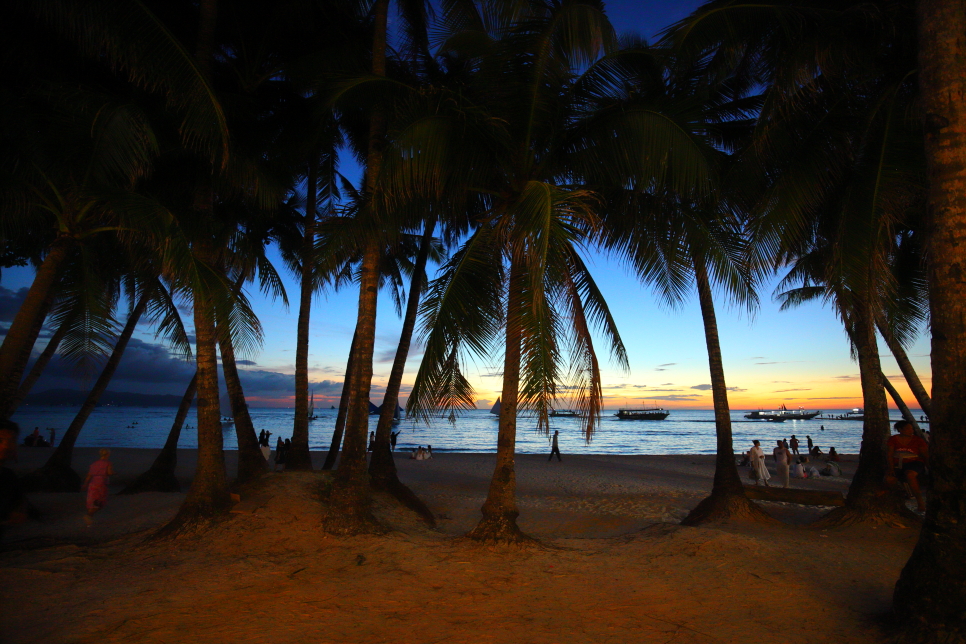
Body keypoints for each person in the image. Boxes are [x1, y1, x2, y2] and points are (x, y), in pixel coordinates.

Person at [886, 420, 929, 512]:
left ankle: (920, 503)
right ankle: (897, 501)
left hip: (915, 462)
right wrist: (891, 468)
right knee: (889, 479)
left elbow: (925, 455)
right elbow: (889, 454)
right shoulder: (893, 439)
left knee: (910, 475)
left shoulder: (917, 440)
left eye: (911, 428)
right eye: (908, 429)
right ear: (900, 430)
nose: (911, 430)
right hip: (899, 463)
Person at [0, 421, 28, 531]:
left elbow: (19, 502)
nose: (6, 446)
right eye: (0, 440)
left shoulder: (9, 477)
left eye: (12, 440)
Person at [82, 449, 114, 526]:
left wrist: (85, 484)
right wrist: (114, 473)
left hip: (93, 483)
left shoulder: (94, 464)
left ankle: (89, 520)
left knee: (93, 501)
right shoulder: (108, 463)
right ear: (107, 454)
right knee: (100, 502)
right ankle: (89, 515)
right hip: (101, 483)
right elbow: (109, 473)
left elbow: (89, 476)